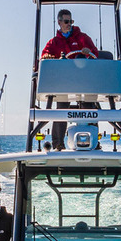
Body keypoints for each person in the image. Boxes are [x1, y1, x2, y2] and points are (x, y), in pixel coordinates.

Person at [40, 9, 99, 150]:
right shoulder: (53, 42)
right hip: (63, 83)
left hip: (85, 81)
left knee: (89, 107)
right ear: (59, 22)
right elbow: (44, 56)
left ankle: (94, 144)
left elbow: (95, 54)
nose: (69, 24)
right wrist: (47, 57)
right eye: (66, 22)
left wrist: (88, 53)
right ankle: (58, 144)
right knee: (61, 108)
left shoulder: (83, 38)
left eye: (71, 21)